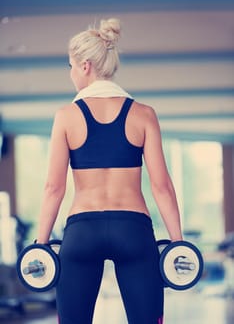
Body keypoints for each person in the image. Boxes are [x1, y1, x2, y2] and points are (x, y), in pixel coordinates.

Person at [36, 18, 183, 324]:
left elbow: (54, 188)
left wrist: (40, 244)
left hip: (82, 231)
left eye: (71, 66)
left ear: (86, 66)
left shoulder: (66, 116)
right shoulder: (143, 114)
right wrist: (177, 242)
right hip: (133, 229)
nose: (71, 74)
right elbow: (162, 187)